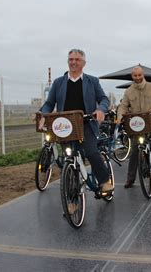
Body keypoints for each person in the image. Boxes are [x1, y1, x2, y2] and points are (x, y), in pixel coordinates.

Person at [38, 48, 113, 194]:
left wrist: (100, 110)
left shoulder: (92, 81)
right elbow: (49, 103)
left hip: (86, 124)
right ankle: (72, 197)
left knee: (91, 152)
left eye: (77, 60)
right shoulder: (59, 82)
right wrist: (43, 115)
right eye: (71, 59)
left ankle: (104, 181)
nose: (73, 62)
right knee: (68, 158)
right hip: (64, 126)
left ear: (83, 63)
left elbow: (103, 99)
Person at [116, 66, 151, 188]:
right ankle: (130, 179)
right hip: (138, 125)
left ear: (143, 75)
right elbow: (123, 106)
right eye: (135, 75)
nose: (137, 77)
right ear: (132, 76)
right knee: (135, 149)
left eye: (139, 75)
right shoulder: (128, 91)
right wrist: (119, 116)